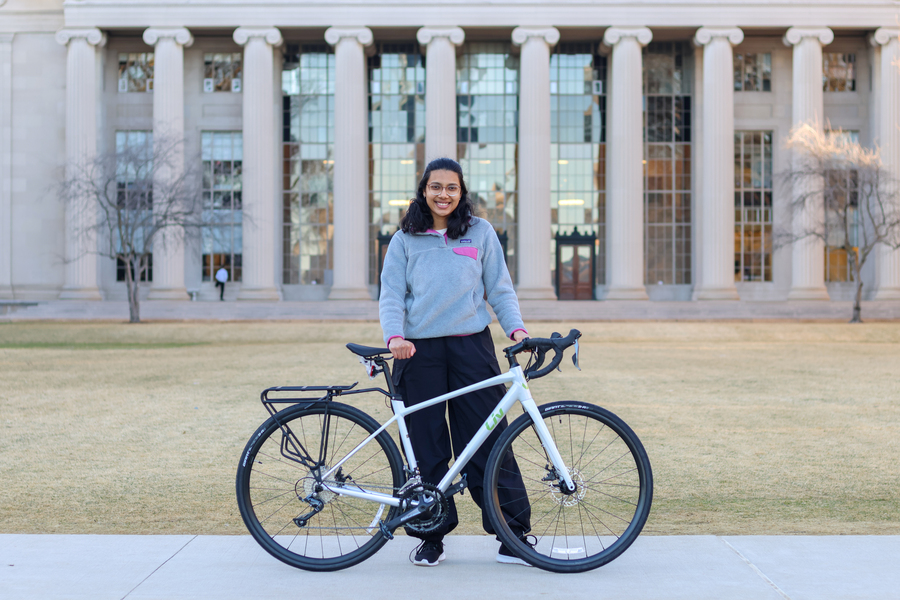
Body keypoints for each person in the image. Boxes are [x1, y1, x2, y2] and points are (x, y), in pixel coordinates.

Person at [379, 157, 532, 568]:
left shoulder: (480, 233)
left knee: (488, 440)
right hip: (417, 352)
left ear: (461, 191)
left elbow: (500, 288)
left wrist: (515, 330)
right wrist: (394, 336)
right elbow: (391, 294)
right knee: (426, 448)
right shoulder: (404, 239)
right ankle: (430, 537)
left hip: (472, 348)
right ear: (423, 191)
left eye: (451, 187)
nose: (443, 194)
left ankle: (513, 535)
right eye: (435, 187)